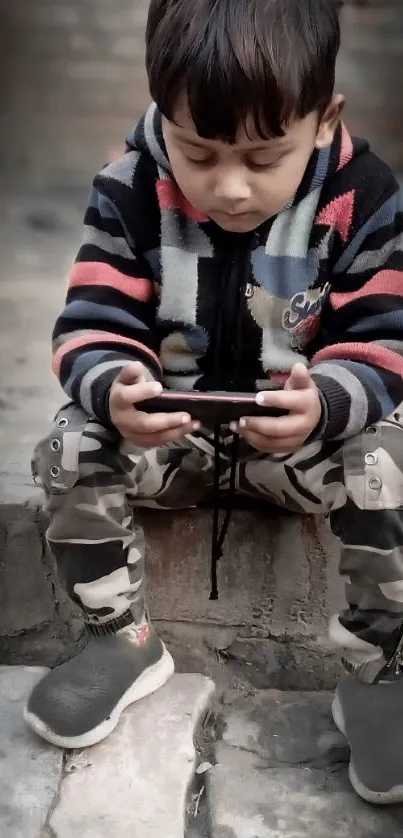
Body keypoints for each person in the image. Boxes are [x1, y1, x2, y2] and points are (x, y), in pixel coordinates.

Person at [25, 0, 403, 805]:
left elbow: (387, 339)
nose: (229, 188)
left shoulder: (363, 196)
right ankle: (118, 639)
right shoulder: (128, 187)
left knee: (390, 453)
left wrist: (329, 401)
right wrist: (117, 386)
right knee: (68, 442)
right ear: (164, 116)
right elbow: (93, 321)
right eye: (198, 152)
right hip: (173, 443)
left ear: (323, 117)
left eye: (266, 157)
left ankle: (381, 667)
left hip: (298, 452)